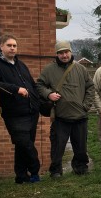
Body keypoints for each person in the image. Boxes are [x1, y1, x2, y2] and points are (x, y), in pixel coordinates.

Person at [0, 34, 41, 184]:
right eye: (9, 45)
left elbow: (32, 84)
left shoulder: (20, 64)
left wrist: (37, 100)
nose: (12, 48)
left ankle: (21, 176)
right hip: (14, 114)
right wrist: (16, 89)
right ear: (1, 47)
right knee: (26, 144)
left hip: (31, 111)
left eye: (14, 46)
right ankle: (35, 169)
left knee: (22, 146)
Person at [36, 41, 95, 177]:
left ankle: (81, 167)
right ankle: (56, 170)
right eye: (61, 53)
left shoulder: (81, 69)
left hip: (80, 116)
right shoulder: (49, 70)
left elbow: (90, 88)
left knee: (80, 146)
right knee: (58, 146)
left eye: (66, 52)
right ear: (57, 54)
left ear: (71, 52)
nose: (64, 55)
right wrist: (48, 94)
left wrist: (86, 106)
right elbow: (39, 85)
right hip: (60, 116)